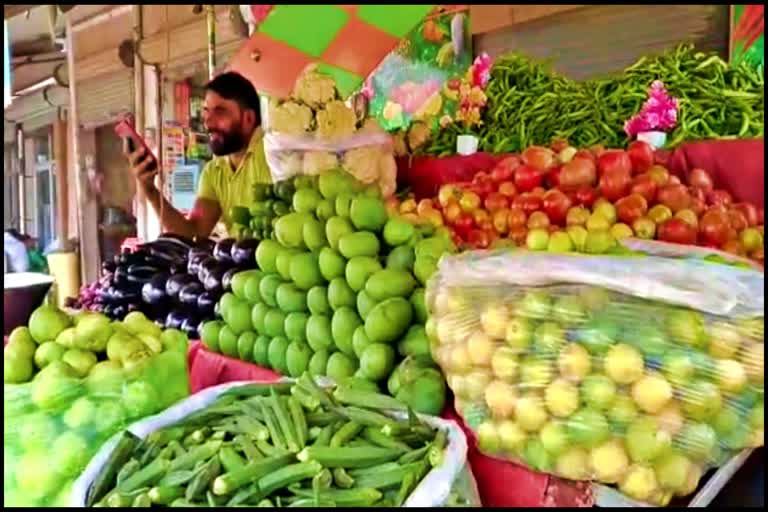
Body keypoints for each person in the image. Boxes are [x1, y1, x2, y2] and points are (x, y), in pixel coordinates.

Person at [125, 72, 272, 239]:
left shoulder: (274, 154)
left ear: (248, 118)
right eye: (206, 111)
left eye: (220, 112)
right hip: (243, 263)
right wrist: (150, 189)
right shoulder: (214, 171)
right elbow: (193, 233)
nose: (208, 122)